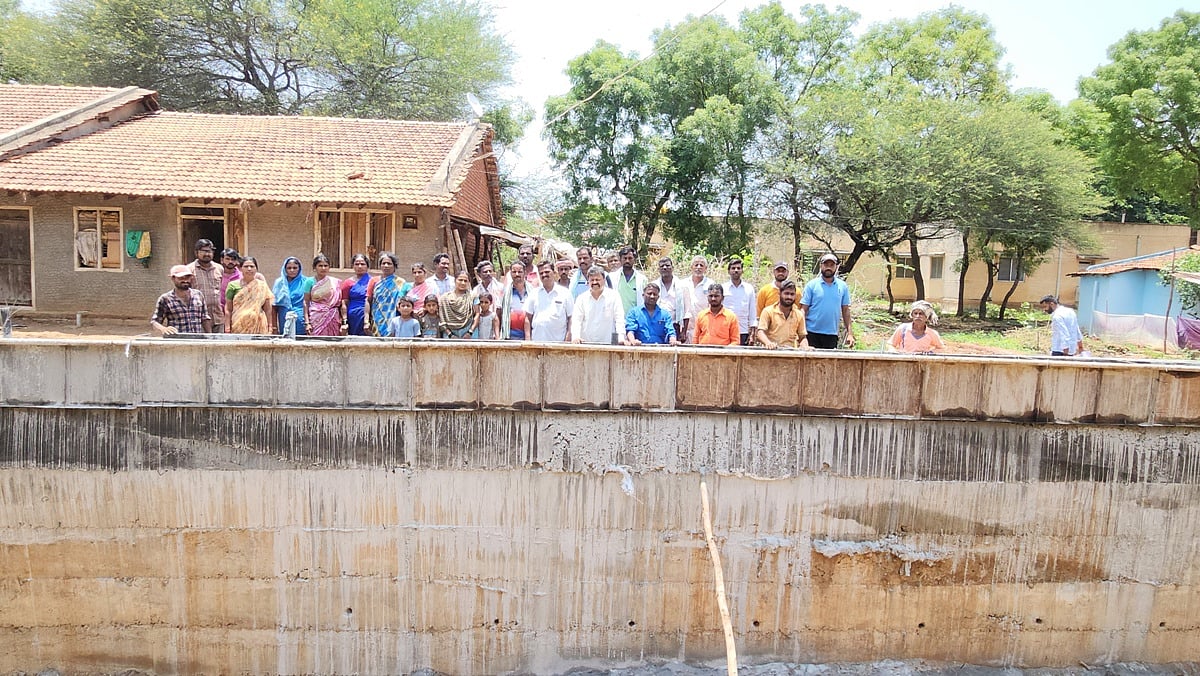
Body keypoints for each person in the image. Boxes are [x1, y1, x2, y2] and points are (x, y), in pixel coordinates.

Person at [800, 253, 855, 350]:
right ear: (821, 266)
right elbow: (803, 310)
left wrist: (850, 333)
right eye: (826, 265)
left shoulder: (842, 286)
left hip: (831, 334)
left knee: (829, 364)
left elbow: (846, 310)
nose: (828, 268)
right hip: (811, 332)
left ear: (836, 267)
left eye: (831, 265)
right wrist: (802, 333)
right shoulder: (811, 285)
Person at [151, 264, 211, 335]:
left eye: (187, 277)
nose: (185, 280)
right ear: (173, 278)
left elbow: (205, 318)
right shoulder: (165, 299)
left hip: (196, 340)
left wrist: (210, 336)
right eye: (181, 278)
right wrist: (163, 329)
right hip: (177, 341)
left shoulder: (198, 295)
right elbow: (155, 322)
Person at [571, 265, 625, 345]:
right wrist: (575, 337)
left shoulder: (614, 296)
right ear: (588, 281)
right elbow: (576, 320)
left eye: (597, 279)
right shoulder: (581, 298)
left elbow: (619, 319)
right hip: (586, 345)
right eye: (592, 280)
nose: (594, 282)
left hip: (608, 344)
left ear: (603, 280)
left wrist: (621, 338)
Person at [524, 261, 573, 342]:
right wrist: (528, 339)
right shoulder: (533, 293)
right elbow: (528, 318)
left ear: (554, 273)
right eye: (541, 273)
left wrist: (567, 339)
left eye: (547, 272)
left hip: (558, 344)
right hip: (537, 343)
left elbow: (571, 318)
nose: (544, 275)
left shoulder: (565, 293)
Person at [226, 257, 273, 334]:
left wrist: (270, 326)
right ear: (240, 269)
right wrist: (227, 327)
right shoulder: (232, 285)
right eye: (246, 266)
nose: (249, 269)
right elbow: (228, 309)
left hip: (259, 326)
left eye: (252, 266)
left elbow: (267, 309)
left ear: (256, 269)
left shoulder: (262, 286)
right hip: (238, 325)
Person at [756, 280, 808, 350]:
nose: (789, 297)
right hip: (771, 352)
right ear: (779, 293)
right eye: (786, 293)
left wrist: (804, 346)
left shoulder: (798, 314)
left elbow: (802, 337)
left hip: (791, 353)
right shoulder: (768, 311)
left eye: (792, 294)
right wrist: (768, 343)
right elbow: (760, 332)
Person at [188, 239, 225, 332]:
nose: (207, 254)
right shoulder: (189, 269)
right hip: (198, 318)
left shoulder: (219, 268)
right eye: (204, 251)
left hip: (218, 317)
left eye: (210, 251)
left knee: (219, 345)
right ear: (196, 253)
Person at [272, 256, 314, 335]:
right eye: (289, 268)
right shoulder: (279, 283)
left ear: (299, 268)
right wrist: (274, 327)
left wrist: (308, 322)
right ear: (285, 269)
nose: (292, 270)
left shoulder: (306, 282)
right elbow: (274, 306)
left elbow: (310, 302)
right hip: (284, 318)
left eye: (295, 268)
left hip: (301, 320)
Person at [366, 252, 403, 337]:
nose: (386, 266)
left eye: (389, 263)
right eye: (383, 263)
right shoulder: (374, 281)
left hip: (394, 319)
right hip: (377, 319)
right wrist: (366, 320)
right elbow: (368, 301)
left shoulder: (401, 282)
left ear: (394, 266)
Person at [679, 256, 715, 343]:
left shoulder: (710, 284)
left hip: (704, 327)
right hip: (685, 329)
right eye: (696, 265)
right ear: (691, 267)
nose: (698, 267)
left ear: (705, 268)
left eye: (701, 265)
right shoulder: (682, 284)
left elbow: (713, 307)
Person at [305, 254, 343, 336]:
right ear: (314, 268)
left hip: (333, 316)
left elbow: (340, 303)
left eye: (326, 266)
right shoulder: (309, 282)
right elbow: (306, 302)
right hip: (316, 317)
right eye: (320, 266)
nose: (323, 268)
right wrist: (307, 322)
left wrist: (343, 320)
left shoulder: (335, 282)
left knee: (332, 343)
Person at [722, 259, 756, 345]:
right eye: (733, 268)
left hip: (743, 330)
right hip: (725, 329)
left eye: (738, 268)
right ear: (729, 271)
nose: (736, 270)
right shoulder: (723, 288)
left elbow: (752, 311)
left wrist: (752, 332)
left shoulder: (749, 288)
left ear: (742, 271)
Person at [653, 257, 688, 338]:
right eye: (662, 266)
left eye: (667, 265)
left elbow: (687, 311)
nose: (665, 268)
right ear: (658, 269)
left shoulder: (682, 286)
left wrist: (683, 332)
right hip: (656, 324)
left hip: (675, 325)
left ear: (672, 268)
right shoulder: (654, 285)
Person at [608, 245, 647, 315]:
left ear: (634, 260)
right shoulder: (611, 277)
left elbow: (645, 300)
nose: (627, 261)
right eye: (625, 258)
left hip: (635, 319)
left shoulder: (642, 279)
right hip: (616, 318)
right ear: (620, 259)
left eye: (630, 258)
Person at [339, 253, 372, 336]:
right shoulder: (348, 283)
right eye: (357, 264)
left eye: (362, 264)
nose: (359, 266)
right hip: (353, 317)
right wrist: (344, 321)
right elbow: (344, 303)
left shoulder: (372, 281)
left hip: (370, 317)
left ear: (367, 266)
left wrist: (367, 320)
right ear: (353, 266)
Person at [500, 261, 530, 340]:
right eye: (514, 272)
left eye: (520, 272)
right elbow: (498, 313)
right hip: (509, 336)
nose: (517, 274)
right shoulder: (504, 292)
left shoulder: (532, 291)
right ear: (510, 273)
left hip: (529, 336)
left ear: (525, 273)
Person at [439, 271, 475, 338]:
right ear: (455, 280)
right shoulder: (444, 298)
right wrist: (450, 334)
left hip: (468, 331)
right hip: (449, 333)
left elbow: (477, 314)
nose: (463, 283)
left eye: (465, 281)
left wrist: (470, 332)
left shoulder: (472, 296)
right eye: (460, 280)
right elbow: (441, 318)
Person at [218, 248, 242, 315]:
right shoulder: (217, 275)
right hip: (219, 314)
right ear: (222, 260)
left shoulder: (241, 277)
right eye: (227, 259)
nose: (230, 261)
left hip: (238, 313)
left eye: (233, 259)